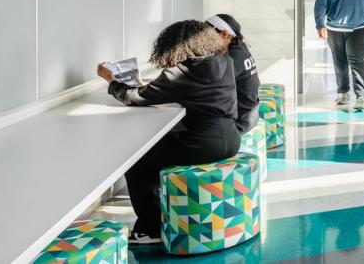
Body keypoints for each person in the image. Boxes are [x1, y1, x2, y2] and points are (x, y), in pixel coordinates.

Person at [96, 20, 239, 245]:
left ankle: (150, 229)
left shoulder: (184, 72)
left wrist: (111, 81)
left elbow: (134, 97)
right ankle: (170, 213)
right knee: (158, 151)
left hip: (203, 144)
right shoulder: (224, 61)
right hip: (231, 138)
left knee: (137, 162)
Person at [207, 14, 260, 133]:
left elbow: (212, 86)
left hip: (240, 121)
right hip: (250, 113)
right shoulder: (240, 47)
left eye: (207, 35)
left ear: (224, 34)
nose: (204, 40)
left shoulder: (233, 58)